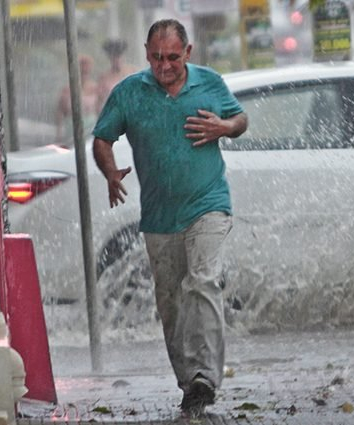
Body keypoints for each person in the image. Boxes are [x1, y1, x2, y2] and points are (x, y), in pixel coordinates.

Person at [92, 19, 248, 415]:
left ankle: (207, 378)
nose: (164, 66)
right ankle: (190, 382)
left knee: (203, 281)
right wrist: (110, 172)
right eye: (157, 57)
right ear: (146, 53)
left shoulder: (209, 83)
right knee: (171, 302)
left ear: (188, 53)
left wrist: (224, 127)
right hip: (160, 217)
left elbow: (240, 120)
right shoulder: (128, 93)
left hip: (208, 202)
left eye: (173, 58)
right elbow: (102, 139)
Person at [55, 54, 99, 145]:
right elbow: (60, 112)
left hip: (90, 126)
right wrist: (59, 132)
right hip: (72, 127)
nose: (84, 75)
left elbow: (100, 109)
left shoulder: (96, 88)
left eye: (86, 72)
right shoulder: (67, 90)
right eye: (82, 72)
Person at [96, 38, 137, 112]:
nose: (116, 59)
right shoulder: (104, 77)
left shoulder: (132, 72)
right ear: (110, 58)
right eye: (114, 56)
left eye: (119, 56)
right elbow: (99, 101)